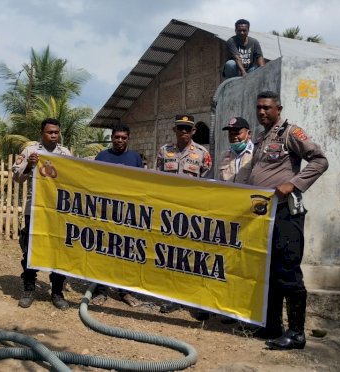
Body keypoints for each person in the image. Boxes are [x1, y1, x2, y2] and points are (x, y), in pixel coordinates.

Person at [248, 91, 328, 350]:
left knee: (288, 273)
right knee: (269, 271)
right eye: (259, 108)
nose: (262, 112)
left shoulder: (291, 133)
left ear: (278, 109)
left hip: (286, 215)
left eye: (267, 108)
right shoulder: (261, 138)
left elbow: (320, 160)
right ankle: (271, 326)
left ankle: (296, 333)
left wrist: (293, 184)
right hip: (265, 216)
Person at [155, 114, 213, 316]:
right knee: (171, 255)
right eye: (180, 128)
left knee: (194, 256)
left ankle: (195, 298)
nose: (184, 132)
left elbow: (208, 185)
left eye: (188, 128)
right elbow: (157, 180)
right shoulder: (164, 151)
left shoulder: (203, 153)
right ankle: (173, 297)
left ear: (194, 131)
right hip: (170, 213)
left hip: (193, 214)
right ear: (174, 130)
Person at [13, 118, 72, 310]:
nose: (53, 136)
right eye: (49, 132)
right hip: (35, 209)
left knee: (58, 251)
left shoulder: (65, 154)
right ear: (42, 133)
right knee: (30, 250)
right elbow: (17, 178)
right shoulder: (30, 152)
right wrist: (30, 166)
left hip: (58, 212)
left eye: (56, 132)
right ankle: (29, 289)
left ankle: (56, 292)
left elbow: (72, 180)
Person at [90, 123, 144, 308]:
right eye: (116, 137)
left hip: (128, 213)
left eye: (123, 137)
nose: (120, 140)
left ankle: (125, 292)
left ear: (128, 138)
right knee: (103, 251)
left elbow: (141, 184)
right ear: (111, 138)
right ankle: (101, 291)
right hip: (106, 212)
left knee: (126, 252)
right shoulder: (102, 156)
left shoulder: (135, 158)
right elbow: (93, 180)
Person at [218, 116, 254, 183]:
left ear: (248, 134)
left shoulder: (255, 154)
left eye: (238, 133)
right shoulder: (224, 155)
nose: (234, 137)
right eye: (231, 134)